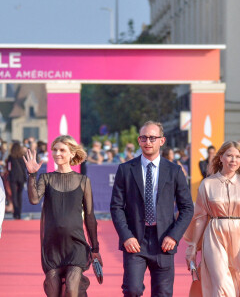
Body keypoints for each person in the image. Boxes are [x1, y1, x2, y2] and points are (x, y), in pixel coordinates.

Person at [110, 121, 194, 297]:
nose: (148, 142)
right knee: (132, 290)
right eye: (144, 138)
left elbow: (187, 208)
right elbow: (116, 206)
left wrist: (174, 236)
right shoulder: (125, 170)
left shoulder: (174, 171)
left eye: (152, 138)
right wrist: (126, 236)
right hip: (135, 241)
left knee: (162, 293)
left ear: (162, 141)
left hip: (164, 241)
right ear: (139, 141)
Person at [184, 141, 240, 297]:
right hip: (214, 234)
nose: (233, 160)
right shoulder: (207, 184)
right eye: (229, 156)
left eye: (237, 157)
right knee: (221, 282)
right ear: (221, 158)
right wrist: (193, 246)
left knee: (236, 284)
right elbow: (200, 216)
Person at [23, 135, 103, 296]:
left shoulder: (83, 181)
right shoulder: (46, 178)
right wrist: (32, 175)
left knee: (72, 289)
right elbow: (33, 199)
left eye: (62, 150)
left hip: (76, 244)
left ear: (72, 153)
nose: (57, 153)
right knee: (54, 292)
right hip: (52, 246)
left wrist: (95, 248)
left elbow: (89, 216)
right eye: (55, 150)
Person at [7, 142, 27, 219]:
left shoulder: (10, 157)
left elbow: (9, 168)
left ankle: (16, 212)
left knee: (14, 195)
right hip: (21, 177)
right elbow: (24, 167)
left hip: (13, 177)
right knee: (19, 195)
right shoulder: (22, 156)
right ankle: (19, 213)